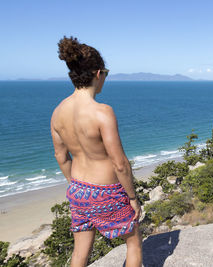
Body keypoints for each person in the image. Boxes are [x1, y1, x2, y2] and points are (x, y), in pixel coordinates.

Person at [50, 36, 143, 267]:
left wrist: (78, 186)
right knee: (133, 242)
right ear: (98, 73)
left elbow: (61, 157)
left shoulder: (57, 112)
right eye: (106, 74)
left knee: (80, 252)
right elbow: (119, 163)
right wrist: (132, 198)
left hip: (78, 189)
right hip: (107, 191)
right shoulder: (102, 112)